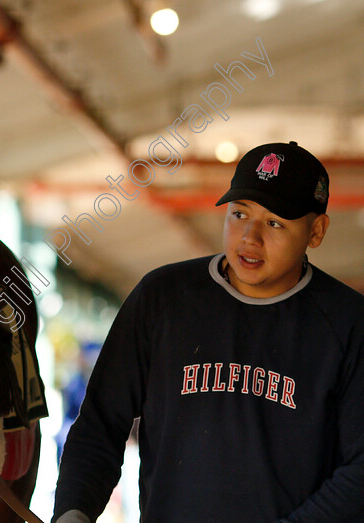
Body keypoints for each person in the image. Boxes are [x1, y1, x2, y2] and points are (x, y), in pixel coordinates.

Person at [53, 142, 364, 522]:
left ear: (316, 231)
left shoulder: (348, 324)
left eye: (275, 223)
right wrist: (74, 511)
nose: (250, 237)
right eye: (239, 214)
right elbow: (100, 423)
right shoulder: (162, 298)